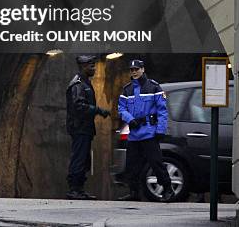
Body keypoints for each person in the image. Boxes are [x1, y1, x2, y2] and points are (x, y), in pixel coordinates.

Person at [118, 59, 174, 203]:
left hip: (149, 131)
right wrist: (130, 119)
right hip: (134, 133)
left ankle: (168, 189)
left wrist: (161, 129)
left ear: (143, 69)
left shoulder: (154, 87)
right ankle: (134, 192)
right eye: (132, 70)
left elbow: (162, 110)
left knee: (156, 163)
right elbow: (121, 109)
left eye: (137, 69)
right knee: (132, 165)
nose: (134, 72)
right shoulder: (127, 89)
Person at [66, 55, 111, 200]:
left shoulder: (85, 83)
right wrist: (98, 110)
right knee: (79, 158)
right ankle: (74, 189)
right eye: (91, 66)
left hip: (85, 128)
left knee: (84, 158)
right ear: (83, 67)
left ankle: (79, 189)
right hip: (79, 127)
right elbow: (78, 106)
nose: (94, 69)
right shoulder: (78, 84)